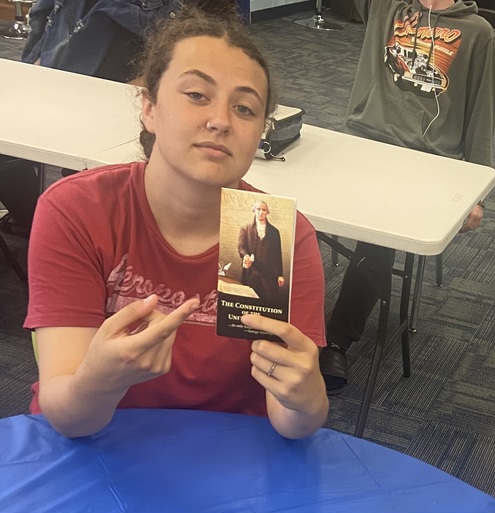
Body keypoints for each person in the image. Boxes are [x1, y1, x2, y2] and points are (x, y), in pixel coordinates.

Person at [26, 6, 328, 441]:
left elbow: (290, 421)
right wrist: (100, 381)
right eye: (197, 95)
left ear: (262, 131)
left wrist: (308, 398)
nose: (220, 121)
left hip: (228, 450)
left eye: (244, 108)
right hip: (101, 445)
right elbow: (69, 418)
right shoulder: (79, 210)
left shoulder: (275, 234)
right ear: (149, 107)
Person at [318, 0, 495, 394]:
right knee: (291, 211)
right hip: (364, 144)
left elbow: (482, 110)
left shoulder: (477, 32)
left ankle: (335, 342)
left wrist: (478, 189)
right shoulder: (385, 6)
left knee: (378, 237)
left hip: (428, 161)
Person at [238, 199, 285, 305]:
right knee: (248, 301)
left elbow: (277, 255)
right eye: (258, 209)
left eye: (264, 210)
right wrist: (246, 256)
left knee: (270, 301)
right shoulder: (245, 228)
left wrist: (280, 274)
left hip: (269, 273)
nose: (261, 212)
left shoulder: (274, 232)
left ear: (267, 212)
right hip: (251, 272)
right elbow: (241, 247)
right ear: (254, 210)